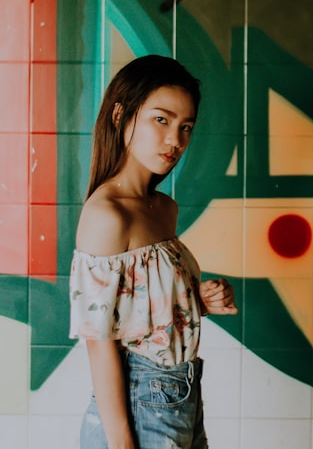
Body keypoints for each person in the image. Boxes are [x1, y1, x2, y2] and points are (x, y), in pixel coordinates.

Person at [69, 54, 238, 449]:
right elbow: (100, 343)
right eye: (160, 120)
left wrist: (199, 299)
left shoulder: (163, 208)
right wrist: (123, 444)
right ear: (120, 116)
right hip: (140, 407)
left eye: (186, 127)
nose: (175, 140)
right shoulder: (106, 215)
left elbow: (144, 311)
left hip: (181, 398)